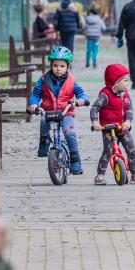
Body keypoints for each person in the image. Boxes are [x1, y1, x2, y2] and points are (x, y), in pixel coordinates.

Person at [27, 46, 89, 174]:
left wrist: (82, 99)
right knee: (44, 123)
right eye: (55, 65)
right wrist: (33, 104)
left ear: (68, 67)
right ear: (51, 65)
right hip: (48, 111)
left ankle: (75, 160)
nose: (58, 69)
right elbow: (36, 94)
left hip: (66, 112)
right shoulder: (43, 79)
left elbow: (80, 92)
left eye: (62, 66)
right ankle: (43, 144)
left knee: (69, 133)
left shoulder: (72, 81)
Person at [90, 64, 135, 185]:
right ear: (115, 82)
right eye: (125, 80)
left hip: (122, 127)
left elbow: (129, 108)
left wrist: (128, 121)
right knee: (108, 152)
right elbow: (94, 108)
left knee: (132, 150)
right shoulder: (105, 95)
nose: (128, 83)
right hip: (108, 128)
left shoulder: (125, 94)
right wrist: (96, 122)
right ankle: (100, 175)